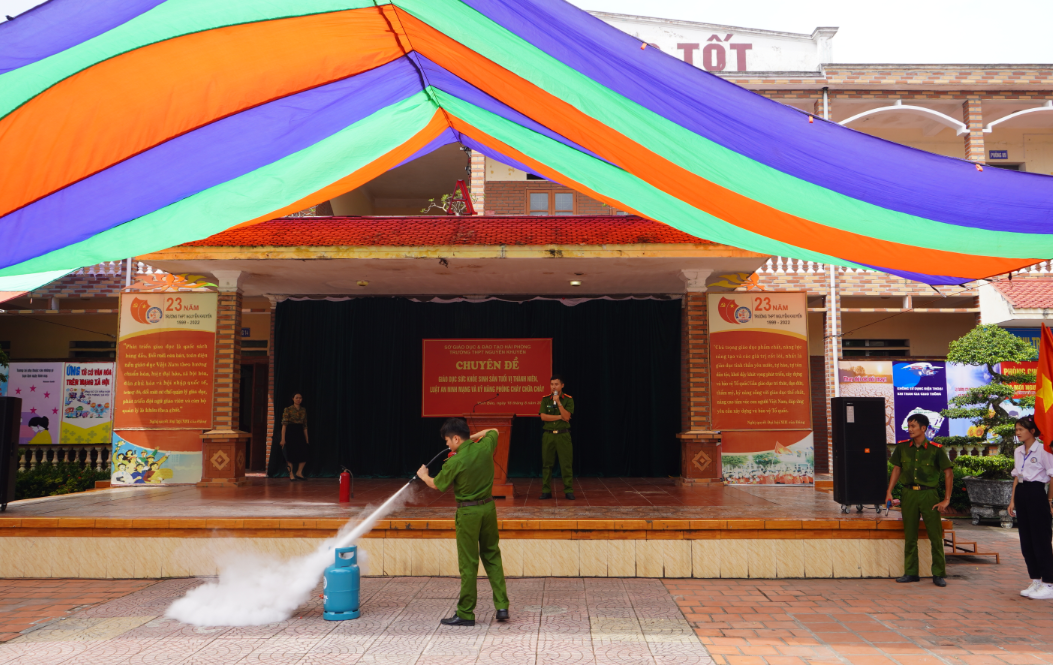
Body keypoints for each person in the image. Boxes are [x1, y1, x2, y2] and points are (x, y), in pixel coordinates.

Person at [417, 418, 510, 626]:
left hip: (468, 514)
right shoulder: (485, 447)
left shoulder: (455, 461)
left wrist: (423, 476)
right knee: (492, 555)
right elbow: (494, 430)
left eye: (448, 440)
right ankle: (502, 606)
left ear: (456, 438)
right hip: (488, 509)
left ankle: (466, 613)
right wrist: (471, 438)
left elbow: (436, 485)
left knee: (469, 563)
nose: (447, 445)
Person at [886, 413, 952, 587]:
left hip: (929, 495)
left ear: (923, 428)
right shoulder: (902, 448)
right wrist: (889, 491)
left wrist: (946, 499)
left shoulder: (936, 449)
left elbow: (948, 473)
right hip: (909, 494)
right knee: (910, 535)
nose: (910, 429)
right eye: (909, 426)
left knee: (935, 536)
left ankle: (938, 573)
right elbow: (897, 469)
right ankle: (911, 572)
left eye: (913, 426)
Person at [1008, 416, 1053, 599]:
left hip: (1036, 493)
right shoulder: (1018, 451)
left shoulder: (1043, 450)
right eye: (1016, 429)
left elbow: (1052, 476)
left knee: (1040, 539)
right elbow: (1017, 477)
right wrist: (1012, 500)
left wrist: (1050, 500)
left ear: (1032, 431)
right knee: (1026, 540)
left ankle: (1049, 583)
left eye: (1021, 429)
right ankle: (1036, 580)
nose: (1017, 433)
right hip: (1021, 492)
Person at [539, 375, 574, 500]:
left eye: (556, 384)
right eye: (552, 384)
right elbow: (543, 417)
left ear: (562, 385)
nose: (553, 387)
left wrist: (558, 402)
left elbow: (567, 416)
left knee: (566, 464)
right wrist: (560, 417)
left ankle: (568, 490)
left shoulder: (568, 399)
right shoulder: (545, 400)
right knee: (546, 464)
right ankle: (546, 491)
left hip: (563, 435)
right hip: (548, 435)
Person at [280, 393, 309, 480]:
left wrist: (307, 439)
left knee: (304, 453)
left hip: (300, 432)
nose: (298, 399)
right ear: (293, 399)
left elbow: (305, 426)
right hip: (290, 432)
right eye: (297, 398)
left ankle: (299, 472)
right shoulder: (288, 409)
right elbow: (284, 425)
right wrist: (282, 439)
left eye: (300, 398)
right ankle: (291, 474)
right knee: (290, 455)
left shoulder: (303, 410)